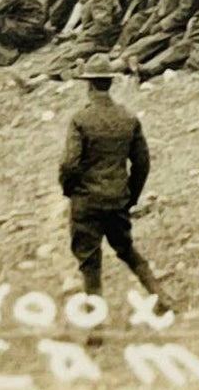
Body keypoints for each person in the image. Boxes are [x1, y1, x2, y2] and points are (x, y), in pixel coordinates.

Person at [57, 53, 170, 313]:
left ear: (89, 85)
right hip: (117, 197)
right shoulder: (127, 118)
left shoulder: (80, 120)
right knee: (127, 250)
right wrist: (130, 195)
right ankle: (162, 297)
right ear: (109, 82)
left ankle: (94, 323)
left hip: (86, 201)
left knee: (90, 262)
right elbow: (142, 163)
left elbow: (69, 164)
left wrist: (69, 189)